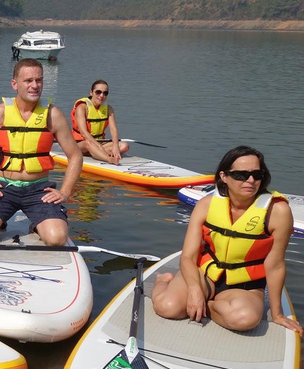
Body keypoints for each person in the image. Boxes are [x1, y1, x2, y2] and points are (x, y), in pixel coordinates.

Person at [151, 146, 301, 334]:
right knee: (167, 307)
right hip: (205, 274)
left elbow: (276, 264)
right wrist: (195, 290)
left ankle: (209, 305)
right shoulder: (206, 205)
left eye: (257, 174)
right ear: (224, 176)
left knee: (245, 320)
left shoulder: (278, 211)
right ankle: (163, 281)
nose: (251, 180)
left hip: (245, 285)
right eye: (241, 175)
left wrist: (277, 314)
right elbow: (188, 256)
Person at [0, 58, 83, 247]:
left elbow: (75, 155)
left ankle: (37, 225)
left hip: (38, 190)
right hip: (4, 188)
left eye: (39, 80)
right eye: (28, 81)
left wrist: (65, 192)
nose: (34, 85)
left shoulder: (53, 115)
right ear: (15, 84)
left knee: (57, 239)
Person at [71, 80, 129, 165]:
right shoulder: (82, 107)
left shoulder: (108, 109)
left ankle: (95, 153)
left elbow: (113, 130)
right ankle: (108, 159)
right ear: (91, 92)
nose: (101, 95)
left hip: (99, 143)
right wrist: (98, 146)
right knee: (89, 143)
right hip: (80, 144)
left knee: (124, 146)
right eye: (98, 92)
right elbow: (83, 133)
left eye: (105, 93)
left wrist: (116, 146)